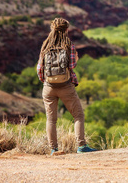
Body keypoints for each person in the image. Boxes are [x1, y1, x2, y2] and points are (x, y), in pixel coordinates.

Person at [36, 18, 97, 155]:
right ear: (66, 30)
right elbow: (72, 65)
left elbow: (39, 68)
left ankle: (53, 149)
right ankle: (81, 146)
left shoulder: (45, 45)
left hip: (48, 87)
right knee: (78, 115)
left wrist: (45, 81)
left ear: (52, 29)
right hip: (65, 86)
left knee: (51, 120)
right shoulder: (68, 45)